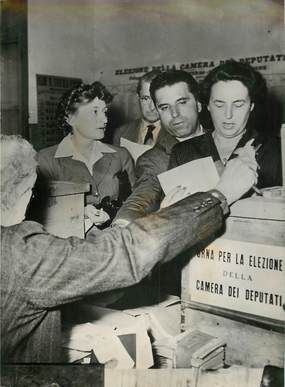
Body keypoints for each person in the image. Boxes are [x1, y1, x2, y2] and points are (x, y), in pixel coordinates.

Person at [1, 134, 257, 363]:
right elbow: (126, 254)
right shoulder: (19, 253)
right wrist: (220, 194)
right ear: (24, 194)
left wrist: (163, 214)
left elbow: (94, 262)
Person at [169, 60, 282, 189]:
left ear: (251, 106)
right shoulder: (183, 153)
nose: (228, 115)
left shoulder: (276, 151)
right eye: (219, 104)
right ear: (208, 105)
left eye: (238, 104)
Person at [113, 69, 205, 226]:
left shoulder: (222, 140)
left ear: (198, 104)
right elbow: (141, 197)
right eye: (164, 107)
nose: (175, 114)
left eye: (182, 102)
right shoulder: (154, 159)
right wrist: (122, 224)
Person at [37, 82, 135, 228]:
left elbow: (137, 201)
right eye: (95, 112)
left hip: (114, 240)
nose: (105, 119)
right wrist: (79, 211)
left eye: (104, 111)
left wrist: (111, 212)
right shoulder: (45, 160)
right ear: (70, 118)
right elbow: (36, 210)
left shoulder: (121, 156)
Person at [113, 70, 161, 147]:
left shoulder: (177, 131)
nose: (151, 107)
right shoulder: (121, 133)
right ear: (138, 97)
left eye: (156, 99)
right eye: (145, 98)